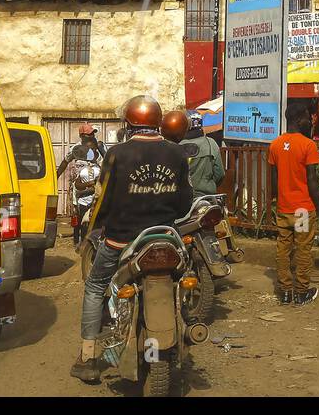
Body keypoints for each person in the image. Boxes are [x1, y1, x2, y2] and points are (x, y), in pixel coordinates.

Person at [72, 96, 193, 384]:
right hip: (164, 238)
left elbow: (101, 200)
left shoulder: (117, 154)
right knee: (182, 280)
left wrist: (95, 230)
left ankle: (88, 357)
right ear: (157, 122)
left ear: (129, 123)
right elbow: (185, 201)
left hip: (120, 241)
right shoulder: (177, 154)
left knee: (95, 286)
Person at [267, 103, 319, 305]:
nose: (310, 121)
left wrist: (275, 201)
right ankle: (301, 292)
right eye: (308, 117)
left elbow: (274, 179)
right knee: (303, 250)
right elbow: (312, 180)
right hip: (302, 209)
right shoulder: (308, 145)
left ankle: (284, 292)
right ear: (299, 118)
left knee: (283, 250)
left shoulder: (275, 145)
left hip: (283, 208)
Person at [180, 112, 226, 196]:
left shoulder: (175, 145)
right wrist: (207, 183)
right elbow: (220, 173)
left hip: (182, 197)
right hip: (206, 195)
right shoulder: (210, 143)